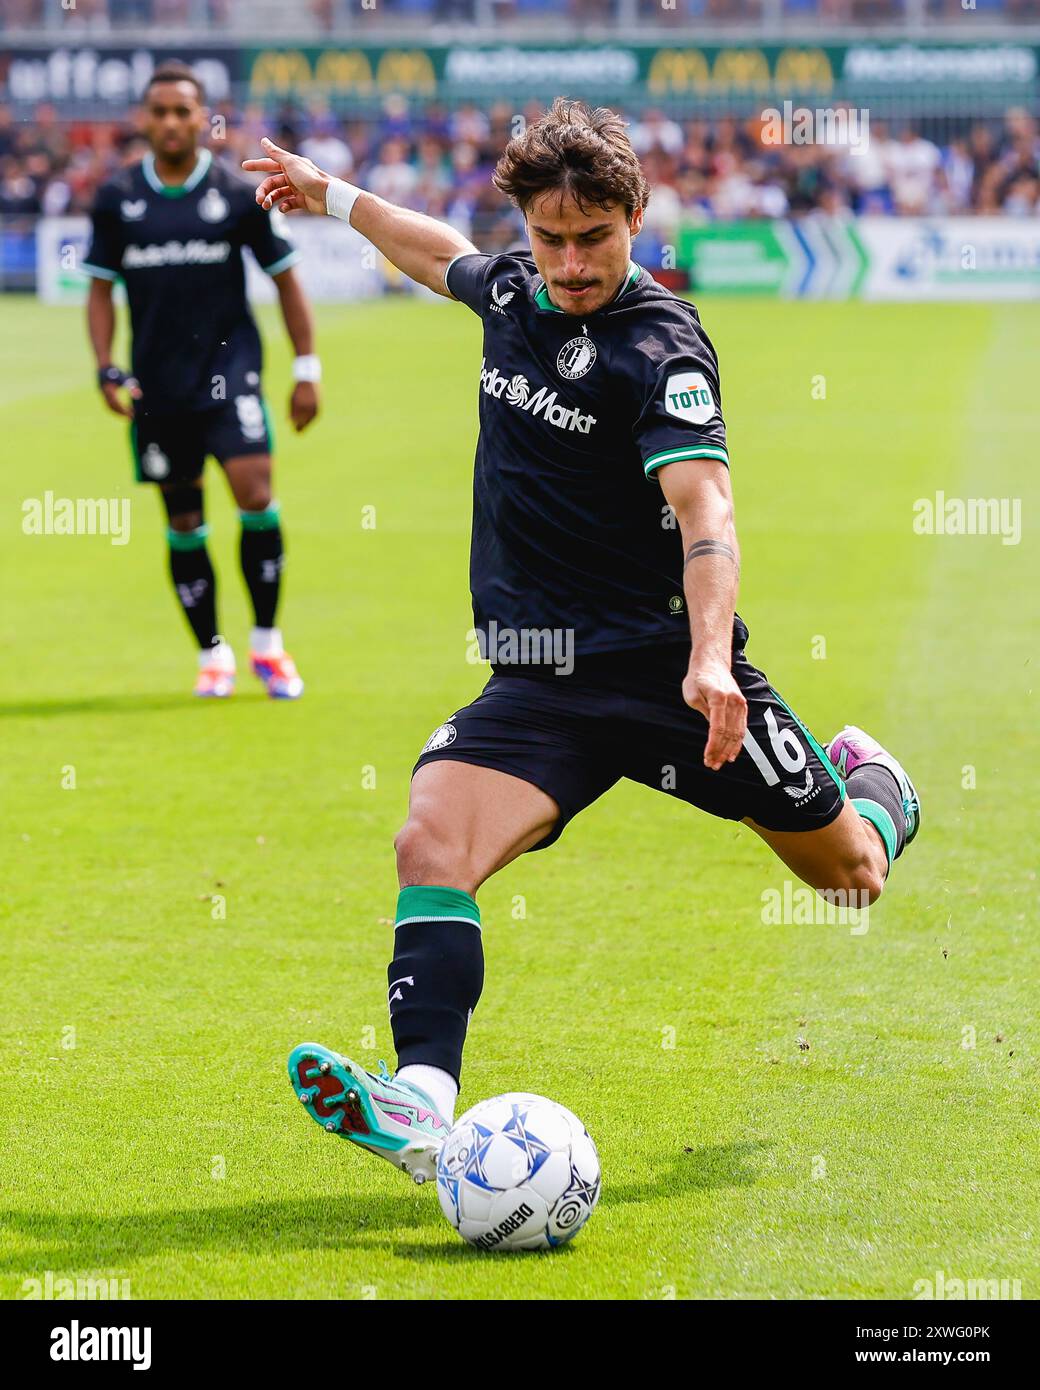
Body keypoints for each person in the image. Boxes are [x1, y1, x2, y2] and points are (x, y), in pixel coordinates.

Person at [245, 98, 921, 1186]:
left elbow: (705, 514)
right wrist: (327, 196)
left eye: (592, 239)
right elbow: (441, 255)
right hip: (538, 680)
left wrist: (708, 660)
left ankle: (876, 791)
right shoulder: (513, 289)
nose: (568, 263)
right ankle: (419, 1106)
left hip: (668, 675)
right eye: (549, 238)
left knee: (848, 878)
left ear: (634, 217)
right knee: (429, 843)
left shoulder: (660, 347)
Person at [85, 61, 318, 698]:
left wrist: (306, 369)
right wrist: (107, 368)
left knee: (254, 490)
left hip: (230, 374)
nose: (169, 122)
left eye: (182, 111)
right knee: (184, 520)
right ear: (143, 119)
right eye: (158, 111)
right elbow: (100, 292)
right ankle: (212, 653)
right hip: (157, 389)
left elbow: (286, 280)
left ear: (202, 118)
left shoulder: (236, 194)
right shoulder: (116, 198)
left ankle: (268, 645)